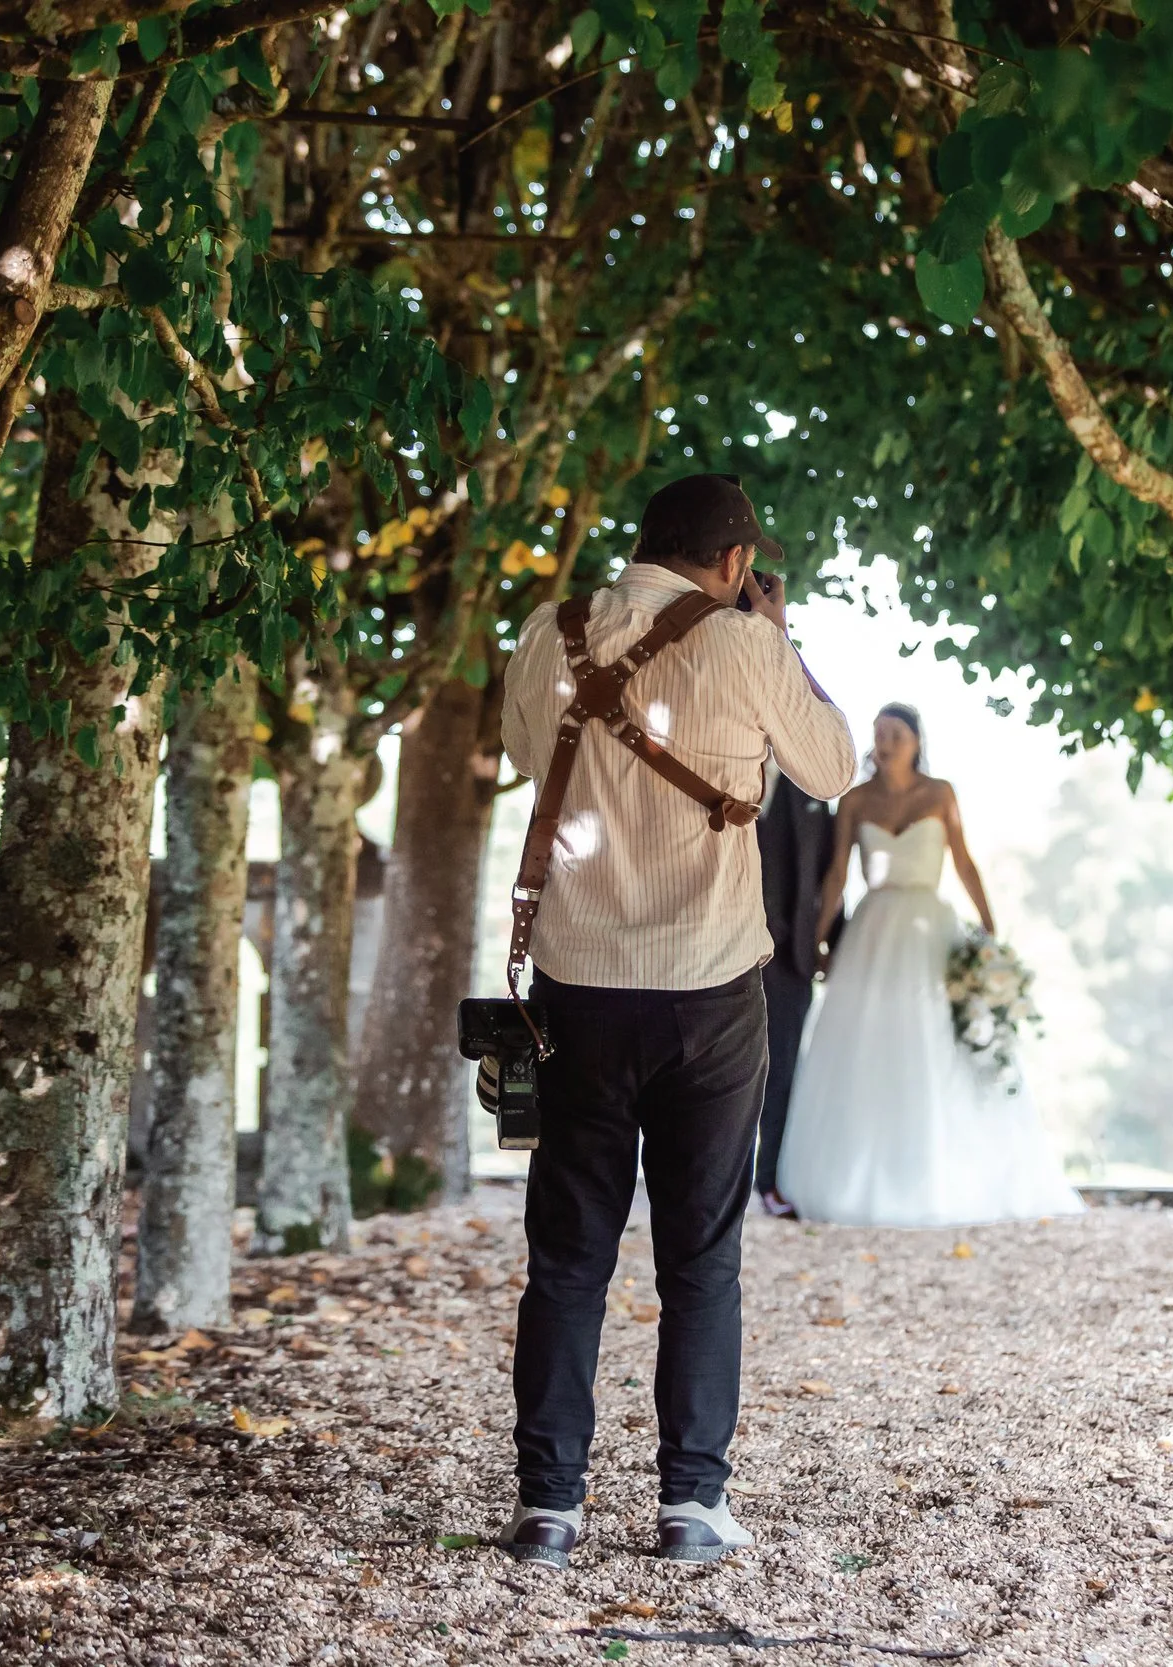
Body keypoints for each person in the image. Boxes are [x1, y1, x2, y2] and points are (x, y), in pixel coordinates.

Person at [494, 473, 854, 1568]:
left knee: (566, 1257)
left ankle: (548, 1507)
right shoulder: (749, 649)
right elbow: (830, 769)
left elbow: (523, 755)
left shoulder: (548, 631)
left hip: (578, 983)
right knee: (700, 1254)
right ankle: (690, 1503)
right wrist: (778, 642)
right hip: (707, 989)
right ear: (740, 564)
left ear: (642, 542)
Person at [774, 705, 1086, 1227]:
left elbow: (963, 862)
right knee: (866, 1042)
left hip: (929, 929)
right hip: (872, 930)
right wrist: (819, 940)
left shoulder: (940, 794)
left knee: (934, 1039)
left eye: (896, 733)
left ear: (917, 741)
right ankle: (857, 1177)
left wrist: (990, 933)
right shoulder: (854, 800)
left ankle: (940, 1173)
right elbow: (834, 877)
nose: (886, 741)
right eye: (878, 733)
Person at [753, 767, 842, 1218]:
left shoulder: (812, 790)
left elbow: (828, 871)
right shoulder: (723, 763)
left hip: (792, 960)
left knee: (782, 1071)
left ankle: (767, 1182)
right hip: (722, 949)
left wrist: (836, 946)